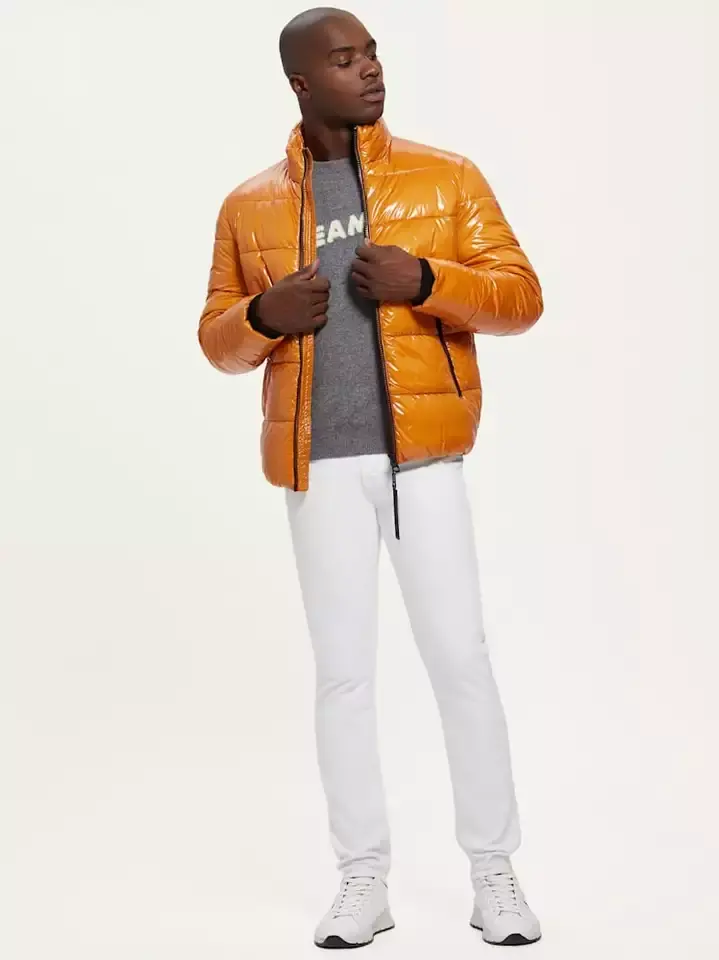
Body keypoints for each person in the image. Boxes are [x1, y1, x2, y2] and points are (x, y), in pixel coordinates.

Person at [198, 6, 543, 949]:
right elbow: (217, 342)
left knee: (459, 660)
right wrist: (261, 316)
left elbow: (520, 297)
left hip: (423, 461)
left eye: (372, 53)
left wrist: (428, 282)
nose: (370, 70)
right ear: (301, 83)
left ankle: (493, 871)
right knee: (343, 677)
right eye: (344, 59)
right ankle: (362, 879)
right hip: (316, 467)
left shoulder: (446, 176)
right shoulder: (249, 205)